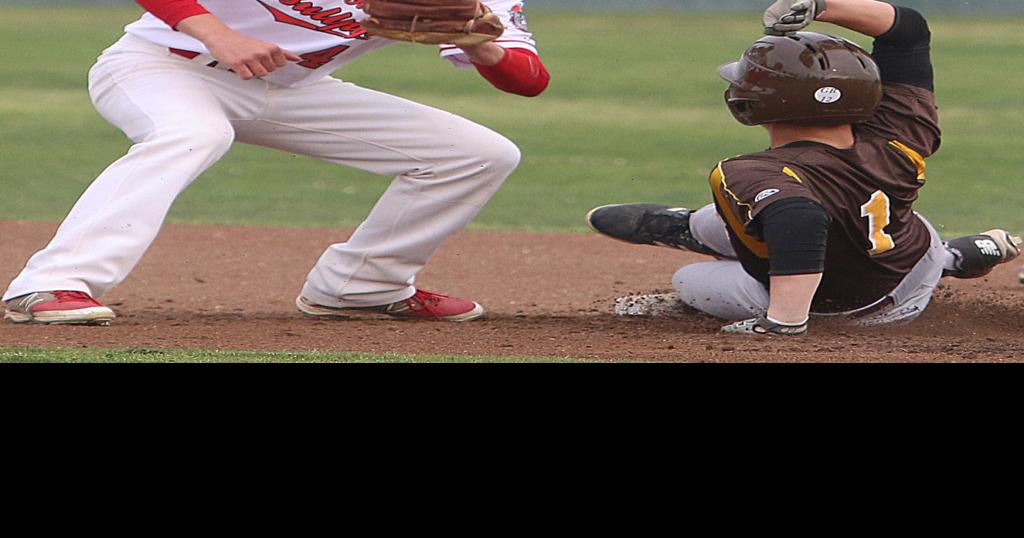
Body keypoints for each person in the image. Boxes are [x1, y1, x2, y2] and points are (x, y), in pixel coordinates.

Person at [3, 0, 549, 325]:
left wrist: (479, 45)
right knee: (193, 133)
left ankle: (362, 287)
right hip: (163, 66)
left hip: (288, 89)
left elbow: (529, 80)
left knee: (477, 155)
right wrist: (221, 35)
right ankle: (49, 283)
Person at [587, 0, 1021, 335]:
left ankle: (700, 238)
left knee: (691, 279)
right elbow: (907, 33)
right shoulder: (900, 131)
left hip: (848, 310)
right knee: (774, 213)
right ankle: (949, 257)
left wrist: (785, 321)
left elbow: (801, 218)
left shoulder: (751, 171)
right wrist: (821, 4)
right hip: (912, 267)